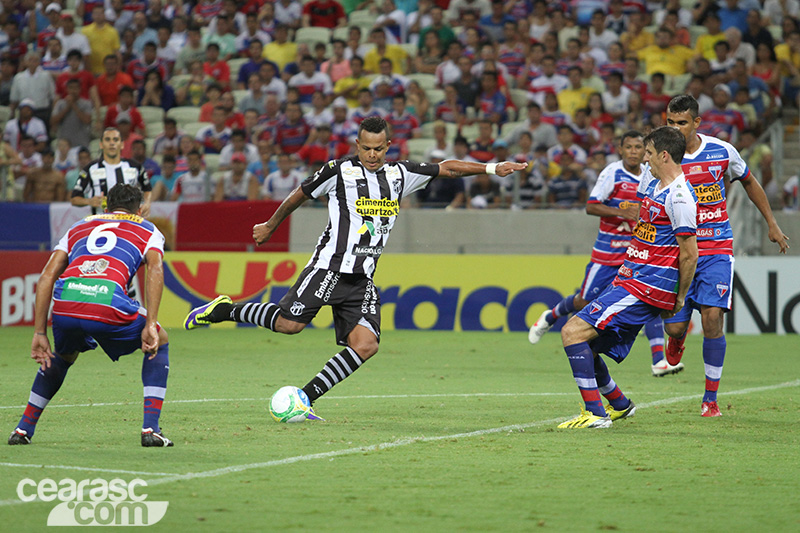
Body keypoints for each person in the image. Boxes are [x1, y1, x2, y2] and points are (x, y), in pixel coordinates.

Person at [183, 116, 526, 416]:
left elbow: (446, 168)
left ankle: (306, 398)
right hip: (329, 268)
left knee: (366, 345)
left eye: (378, 149)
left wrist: (493, 168)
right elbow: (301, 194)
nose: (372, 155)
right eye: (366, 148)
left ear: (388, 146)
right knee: (289, 325)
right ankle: (226, 311)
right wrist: (272, 225)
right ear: (357, 145)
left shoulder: (400, 174)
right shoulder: (337, 171)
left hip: (362, 279)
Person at [7, 184, 173, 447]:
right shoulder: (148, 229)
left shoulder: (78, 226)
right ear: (140, 210)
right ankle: (150, 430)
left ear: (106, 208)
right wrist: (150, 323)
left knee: (64, 355)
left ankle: (23, 429)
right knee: (159, 340)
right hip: (107, 300)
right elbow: (155, 268)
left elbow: (47, 276)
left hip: (66, 300)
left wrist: (39, 332)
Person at [557, 126, 699, 429]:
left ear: (663, 155)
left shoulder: (680, 197)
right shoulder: (653, 181)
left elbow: (690, 254)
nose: (643, 159)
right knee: (588, 344)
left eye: (647, 153)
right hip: (630, 278)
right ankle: (620, 404)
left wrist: (680, 297)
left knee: (572, 333)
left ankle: (595, 413)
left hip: (646, 286)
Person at [661, 95, 789, 417]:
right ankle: (676, 339)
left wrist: (772, 224)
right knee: (675, 328)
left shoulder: (721, 151)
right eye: (670, 122)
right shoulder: (661, 158)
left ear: (696, 123)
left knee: (712, 318)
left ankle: (710, 399)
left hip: (716, 245)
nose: (675, 128)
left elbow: (750, 183)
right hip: (677, 249)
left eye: (682, 122)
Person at [529, 131, 685, 377]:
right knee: (583, 301)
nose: (634, 152)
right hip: (607, 253)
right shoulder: (612, 173)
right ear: (620, 150)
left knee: (647, 301)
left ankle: (659, 360)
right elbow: (591, 206)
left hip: (638, 256)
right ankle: (551, 315)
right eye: (629, 147)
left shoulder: (652, 175)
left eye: (638, 147)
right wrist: (622, 213)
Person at [71, 127, 152, 217]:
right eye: (107, 139)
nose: (112, 143)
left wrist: (147, 203)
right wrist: (89, 201)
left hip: (129, 222)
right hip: (101, 221)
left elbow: (147, 189)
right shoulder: (90, 169)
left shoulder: (135, 167)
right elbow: (74, 199)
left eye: (115, 140)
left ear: (122, 144)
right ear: (101, 144)